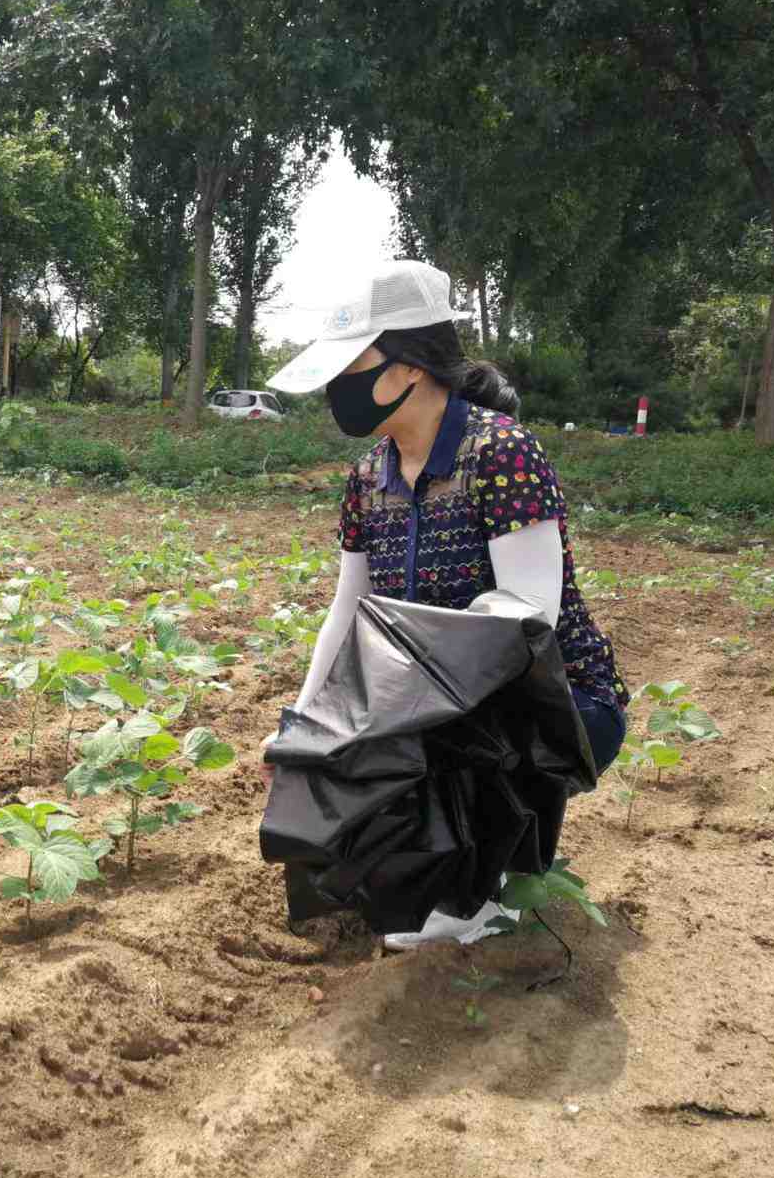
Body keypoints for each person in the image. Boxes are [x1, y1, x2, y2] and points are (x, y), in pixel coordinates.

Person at [261, 260, 628, 948]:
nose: (341, 387)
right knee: (337, 757)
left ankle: (484, 896)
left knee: (425, 752)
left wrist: (396, 715)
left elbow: (529, 619)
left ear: (408, 368)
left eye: (353, 366)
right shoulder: (368, 477)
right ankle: (437, 873)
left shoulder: (501, 453)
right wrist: (306, 723)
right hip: (434, 704)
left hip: (557, 708)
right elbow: (348, 611)